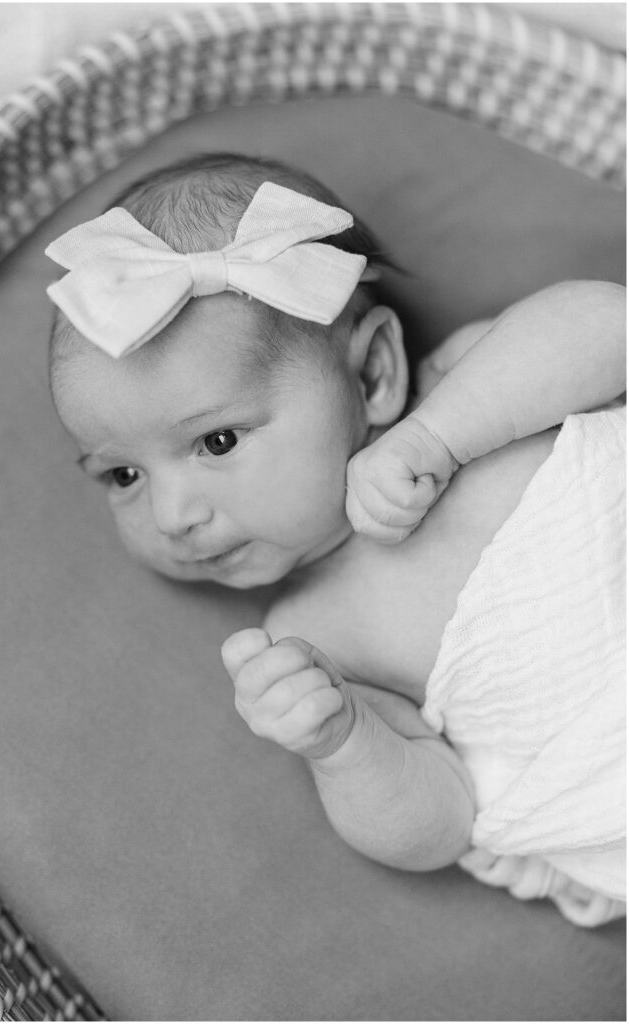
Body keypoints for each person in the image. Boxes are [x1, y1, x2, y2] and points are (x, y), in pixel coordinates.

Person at [46, 153, 626, 927]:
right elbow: (439, 822)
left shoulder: (472, 388)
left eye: (216, 442)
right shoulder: (311, 639)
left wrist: (439, 438)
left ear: (373, 374)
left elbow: (609, 325)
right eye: (121, 476)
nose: (172, 514)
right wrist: (343, 742)